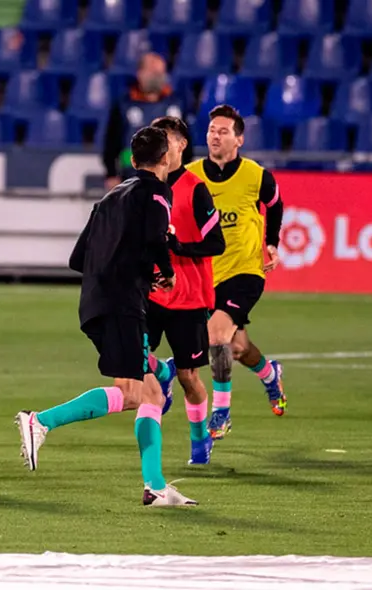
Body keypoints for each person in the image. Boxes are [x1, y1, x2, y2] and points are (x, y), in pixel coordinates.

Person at [16, 126, 198, 507]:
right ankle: (41, 421)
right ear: (165, 158)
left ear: (132, 160)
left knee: (149, 390)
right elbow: (156, 239)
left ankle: (156, 486)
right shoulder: (157, 191)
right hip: (123, 305)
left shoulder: (110, 197)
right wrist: (162, 273)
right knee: (132, 393)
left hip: (96, 302)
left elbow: (76, 259)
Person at [186, 105, 286, 440]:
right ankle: (271, 374)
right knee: (237, 348)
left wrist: (271, 242)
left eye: (223, 131)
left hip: (245, 271)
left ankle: (221, 413)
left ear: (239, 139)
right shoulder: (191, 174)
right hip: (207, 274)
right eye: (212, 129)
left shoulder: (256, 176)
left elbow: (275, 203)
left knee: (216, 335)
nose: (215, 135)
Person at [143, 116, 225, 465]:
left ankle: (199, 440)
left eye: (168, 138)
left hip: (189, 296)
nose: (162, 143)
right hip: (152, 291)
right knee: (135, 358)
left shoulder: (195, 188)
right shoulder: (144, 187)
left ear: (180, 146)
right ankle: (163, 372)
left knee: (191, 376)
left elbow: (216, 243)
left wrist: (178, 246)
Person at [102, 52, 186, 189]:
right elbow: (111, 143)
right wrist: (111, 174)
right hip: (131, 180)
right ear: (140, 73)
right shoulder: (124, 105)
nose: (158, 77)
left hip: (170, 182)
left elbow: (187, 144)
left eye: (161, 73)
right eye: (154, 73)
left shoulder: (176, 104)